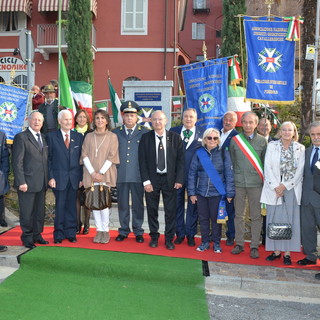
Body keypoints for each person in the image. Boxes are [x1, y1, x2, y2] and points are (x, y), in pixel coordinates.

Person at [139, 110, 184, 250]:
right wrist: (146, 181)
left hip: (170, 180)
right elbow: (142, 161)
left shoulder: (175, 138)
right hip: (152, 180)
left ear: (166, 121)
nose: (158, 122)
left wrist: (179, 179)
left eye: (160, 119)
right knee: (152, 209)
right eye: (155, 120)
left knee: (170, 211)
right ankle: (154, 237)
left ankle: (169, 238)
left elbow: (181, 161)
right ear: (151, 122)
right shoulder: (145, 138)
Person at [260, 121, 305, 265]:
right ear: (280, 131)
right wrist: (276, 187)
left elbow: (300, 172)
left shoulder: (300, 148)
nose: (286, 132)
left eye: (289, 130)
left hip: (291, 189)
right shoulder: (272, 146)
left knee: (290, 220)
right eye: (284, 130)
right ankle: (276, 251)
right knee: (275, 220)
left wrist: (284, 186)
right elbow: (267, 167)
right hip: (274, 189)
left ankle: (287, 253)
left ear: (294, 132)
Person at [188, 128, 235, 253]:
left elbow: (229, 174)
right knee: (203, 219)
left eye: (215, 138)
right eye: (209, 138)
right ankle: (204, 242)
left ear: (218, 140)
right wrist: (192, 193)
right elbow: (192, 173)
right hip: (201, 192)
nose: (212, 140)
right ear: (204, 139)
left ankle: (217, 243)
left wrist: (230, 193)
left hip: (217, 193)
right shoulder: (198, 153)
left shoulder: (224, 154)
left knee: (216, 220)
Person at [229, 111, 267, 259]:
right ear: (241, 123)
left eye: (251, 122)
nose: (248, 125)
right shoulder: (235, 140)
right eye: (245, 122)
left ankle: (254, 245)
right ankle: (239, 243)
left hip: (256, 184)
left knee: (256, 216)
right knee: (238, 215)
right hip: (239, 183)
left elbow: (265, 163)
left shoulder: (263, 141)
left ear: (256, 124)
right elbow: (232, 161)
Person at [81, 109, 119, 244]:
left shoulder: (112, 137)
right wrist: (92, 173)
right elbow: (84, 154)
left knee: (103, 203)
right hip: (90, 174)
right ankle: (98, 230)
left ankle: (106, 230)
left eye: (102, 118)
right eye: (97, 118)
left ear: (107, 121)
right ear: (94, 121)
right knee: (94, 202)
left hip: (105, 174)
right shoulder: (89, 136)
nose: (100, 120)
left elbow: (111, 156)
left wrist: (101, 173)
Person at [113, 101, 148, 243]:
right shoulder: (115, 133)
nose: (129, 118)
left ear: (137, 117)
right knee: (122, 204)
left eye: (132, 115)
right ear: (123, 116)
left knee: (138, 204)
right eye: (126, 115)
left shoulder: (145, 132)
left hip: (138, 175)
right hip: (121, 174)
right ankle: (123, 230)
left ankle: (138, 230)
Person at [12, 112, 49, 249]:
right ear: (28, 120)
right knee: (27, 212)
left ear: (42, 122)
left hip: (41, 183)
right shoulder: (21, 137)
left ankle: (37, 235)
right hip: (26, 184)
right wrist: (21, 181)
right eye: (34, 119)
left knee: (39, 212)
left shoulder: (43, 138)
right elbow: (17, 162)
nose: (37, 122)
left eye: (40, 120)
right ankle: (27, 237)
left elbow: (45, 161)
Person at [47, 109, 84, 244]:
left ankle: (70, 233)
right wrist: (50, 177)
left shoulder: (78, 137)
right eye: (66, 119)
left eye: (70, 119)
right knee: (60, 206)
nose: (69, 122)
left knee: (72, 207)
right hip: (58, 179)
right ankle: (58, 234)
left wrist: (81, 178)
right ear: (59, 121)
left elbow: (81, 159)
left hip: (74, 179)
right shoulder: (51, 137)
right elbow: (48, 159)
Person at [170, 108, 203, 246]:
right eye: (186, 116)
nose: (188, 119)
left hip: (195, 177)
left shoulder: (203, 133)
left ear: (196, 119)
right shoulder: (173, 131)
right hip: (176, 176)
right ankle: (180, 233)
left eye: (191, 117)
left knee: (193, 207)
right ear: (182, 118)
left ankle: (190, 234)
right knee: (177, 206)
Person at [299, 121, 320, 267]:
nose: (316, 137)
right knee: (308, 229)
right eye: (313, 134)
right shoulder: (305, 152)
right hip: (306, 199)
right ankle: (311, 256)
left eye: (318, 134)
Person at [219, 111, 239, 246]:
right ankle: (214, 234)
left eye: (230, 120)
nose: (227, 122)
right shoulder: (215, 134)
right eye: (225, 119)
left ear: (235, 122)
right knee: (215, 208)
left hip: (228, 178)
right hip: (213, 177)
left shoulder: (237, 137)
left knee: (230, 209)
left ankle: (231, 235)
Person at [74, 109, 92, 234]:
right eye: (79, 117)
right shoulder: (71, 132)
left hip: (88, 169)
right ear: (75, 119)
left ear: (87, 119)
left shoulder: (91, 133)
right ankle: (77, 224)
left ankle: (87, 224)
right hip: (75, 169)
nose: (81, 119)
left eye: (84, 117)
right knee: (76, 198)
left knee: (87, 199)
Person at [0, 131, 10, 227]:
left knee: (1, 196)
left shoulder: (1, 135)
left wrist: (3, 171)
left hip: (0, 173)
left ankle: (1, 218)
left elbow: (4, 155)